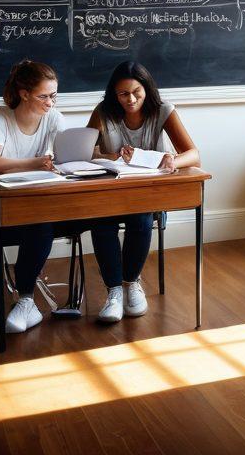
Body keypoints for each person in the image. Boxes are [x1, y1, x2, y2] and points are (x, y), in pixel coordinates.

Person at [86, 60, 200, 323]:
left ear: (147, 89)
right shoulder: (103, 111)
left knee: (141, 219)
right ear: (114, 94)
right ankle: (114, 292)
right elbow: (84, 151)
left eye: (136, 92)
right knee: (101, 222)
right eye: (123, 94)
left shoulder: (163, 110)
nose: (130, 99)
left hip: (147, 192)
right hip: (110, 191)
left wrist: (173, 160)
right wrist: (109, 156)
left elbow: (194, 154)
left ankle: (131, 283)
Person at [0, 60, 70, 334]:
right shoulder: (0, 117)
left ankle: (27, 301)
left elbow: (66, 158)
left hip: (43, 200)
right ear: (24, 94)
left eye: (54, 96)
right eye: (43, 96)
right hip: (8, 204)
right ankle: (26, 300)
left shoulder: (54, 118)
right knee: (39, 225)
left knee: (79, 219)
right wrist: (34, 163)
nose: (50, 103)